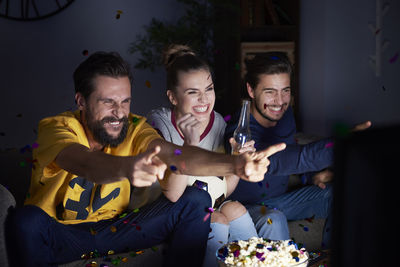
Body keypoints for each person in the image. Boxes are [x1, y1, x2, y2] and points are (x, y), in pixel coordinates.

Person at [5, 51, 285, 267]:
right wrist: (128, 167)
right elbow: (84, 162)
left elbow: (175, 156)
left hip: (118, 229)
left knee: (196, 200)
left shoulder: (136, 126)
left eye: (125, 101)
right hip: (63, 233)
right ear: (81, 101)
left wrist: (236, 164)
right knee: (26, 220)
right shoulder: (56, 127)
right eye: (108, 102)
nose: (119, 112)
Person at [224, 52, 371, 248]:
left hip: (282, 199)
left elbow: (293, 155)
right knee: (273, 219)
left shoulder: (283, 114)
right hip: (249, 207)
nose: (279, 101)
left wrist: (313, 176)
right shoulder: (240, 131)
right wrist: (340, 144)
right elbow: (281, 161)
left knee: (343, 192)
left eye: (285, 90)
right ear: (251, 90)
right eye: (270, 91)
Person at [147, 44, 269, 267]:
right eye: (193, 93)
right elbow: (173, 196)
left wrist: (237, 162)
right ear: (172, 97)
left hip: (206, 207)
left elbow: (221, 191)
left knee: (234, 208)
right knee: (217, 218)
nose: (204, 100)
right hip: (165, 211)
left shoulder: (219, 123)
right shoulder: (158, 125)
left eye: (209, 89)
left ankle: (259, 263)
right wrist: (189, 145)